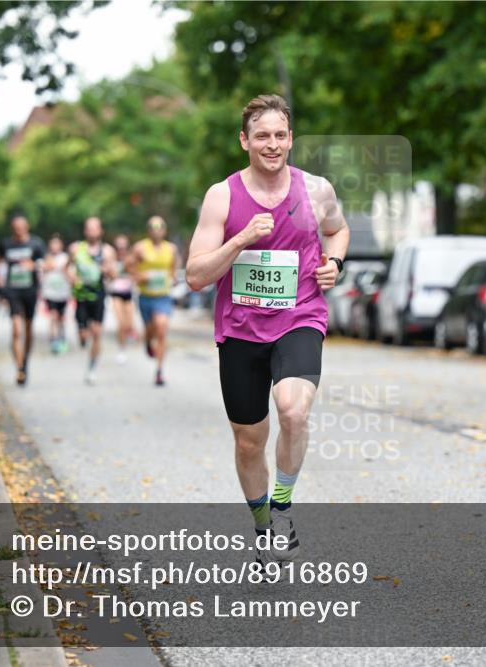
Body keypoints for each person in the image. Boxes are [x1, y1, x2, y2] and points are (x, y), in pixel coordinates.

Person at [186, 94, 349, 567]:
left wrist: (333, 262)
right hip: (239, 331)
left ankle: (282, 508)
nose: (272, 144)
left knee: (293, 412)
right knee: (248, 440)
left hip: (300, 316)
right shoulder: (223, 195)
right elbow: (196, 275)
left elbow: (338, 231)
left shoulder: (316, 190)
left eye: (280, 135)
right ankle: (262, 527)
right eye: (262, 136)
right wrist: (240, 239)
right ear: (245, 141)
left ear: (291, 139)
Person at [0, 215, 47, 386]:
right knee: (16, 330)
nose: (19, 230)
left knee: (29, 330)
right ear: (12, 228)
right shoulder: (6, 244)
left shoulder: (36, 244)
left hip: (30, 290)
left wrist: (35, 266)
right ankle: (20, 368)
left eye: (21, 226)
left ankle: (25, 362)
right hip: (13, 290)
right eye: (15, 227)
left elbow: (48, 263)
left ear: (27, 227)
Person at [68, 217, 117, 385]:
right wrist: (72, 277)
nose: (92, 232)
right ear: (85, 231)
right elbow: (67, 268)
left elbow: (113, 275)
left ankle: (92, 368)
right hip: (81, 297)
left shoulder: (108, 251)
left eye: (95, 228)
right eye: (89, 228)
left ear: (100, 231)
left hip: (98, 295)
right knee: (83, 336)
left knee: (97, 334)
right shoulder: (76, 248)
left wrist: (107, 270)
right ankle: (82, 335)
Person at [132, 216, 179, 386]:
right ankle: (147, 342)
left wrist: (173, 277)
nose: (156, 231)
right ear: (148, 230)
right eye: (153, 227)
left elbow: (174, 268)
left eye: (160, 228)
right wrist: (140, 276)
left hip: (163, 296)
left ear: (164, 231)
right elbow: (131, 271)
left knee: (161, 328)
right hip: (145, 297)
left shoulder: (171, 249)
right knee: (150, 330)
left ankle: (159, 371)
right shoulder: (139, 248)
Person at [108, 234, 136, 364]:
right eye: (119, 247)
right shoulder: (111, 260)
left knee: (129, 324)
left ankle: (125, 340)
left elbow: (136, 274)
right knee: (121, 323)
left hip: (128, 294)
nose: (121, 250)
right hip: (116, 294)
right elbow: (111, 275)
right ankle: (121, 349)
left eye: (124, 247)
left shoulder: (132, 260)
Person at [41, 234, 71, 355]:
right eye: (52, 244)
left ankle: (62, 337)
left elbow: (69, 272)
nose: (55, 246)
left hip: (63, 292)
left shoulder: (65, 258)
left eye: (57, 244)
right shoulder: (46, 257)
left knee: (61, 317)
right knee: (53, 315)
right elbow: (43, 270)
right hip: (50, 293)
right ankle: (53, 340)